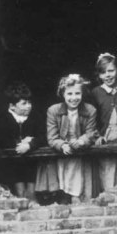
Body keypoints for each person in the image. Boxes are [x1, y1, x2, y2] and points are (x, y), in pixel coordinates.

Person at [36, 73, 99, 202]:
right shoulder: (53, 110)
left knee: (80, 191)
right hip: (61, 156)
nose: (74, 98)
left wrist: (82, 141)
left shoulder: (90, 110)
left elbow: (91, 133)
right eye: (69, 94)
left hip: (81, 155)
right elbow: (52, 137)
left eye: (77, 93)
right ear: (63, 94)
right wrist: (62, 145)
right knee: (62, 191)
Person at [0, 81, 44, 198]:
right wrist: (18, 143)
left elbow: (42, 137)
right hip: (12, 165)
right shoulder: (3, 120)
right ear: (12, 106)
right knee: (20, 194)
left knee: (31, 194)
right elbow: (0, 140)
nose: (29, 106)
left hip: (32, 164)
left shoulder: (35, 117)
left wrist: (31, 143)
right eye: (24, 103)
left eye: (30, 102)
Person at [89, 52, 117, 190]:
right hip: (105, 139)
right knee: (108, 175)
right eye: (103, 72)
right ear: (99, 75)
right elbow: (92, 118)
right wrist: (98, 136)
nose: (107, 75)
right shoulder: (96, 93)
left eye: (111, 71)